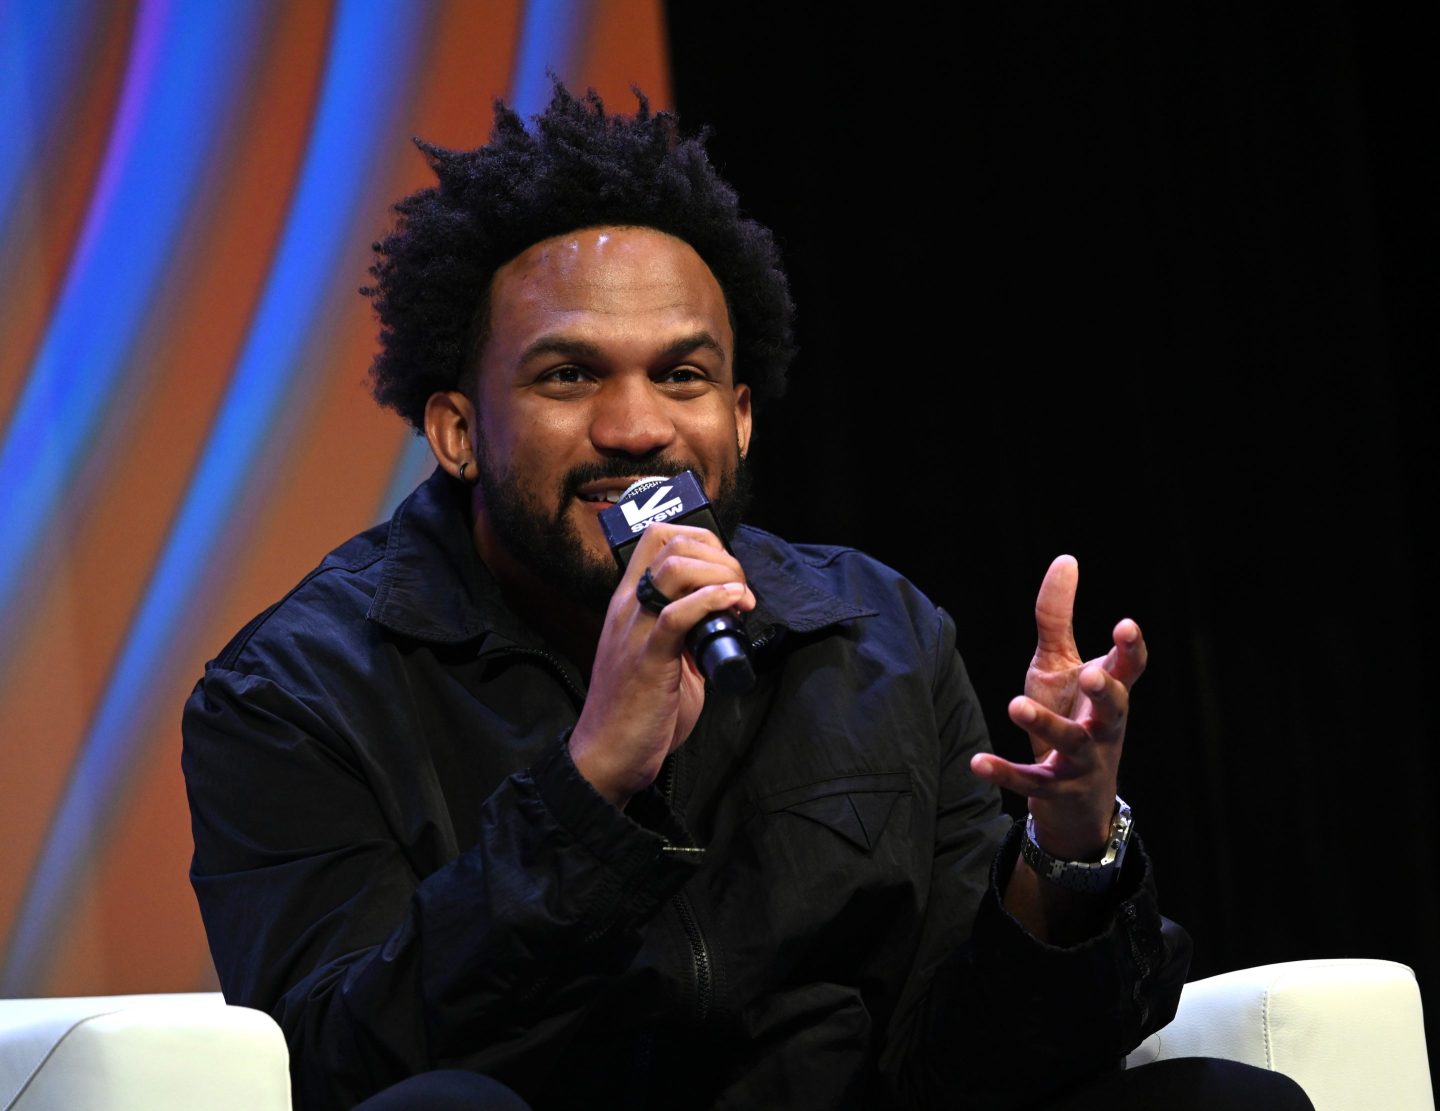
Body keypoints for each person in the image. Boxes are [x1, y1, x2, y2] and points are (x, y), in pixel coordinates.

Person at [181, 84, 1312, 1111]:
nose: (638, 428)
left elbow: (968, 1063)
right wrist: (588, 788)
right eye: (570, 375)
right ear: (457, 431)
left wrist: (1066, 851)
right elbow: (336, 1064)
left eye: (682, 375)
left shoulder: (874, 632)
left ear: (741, 418)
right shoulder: (294, 691)